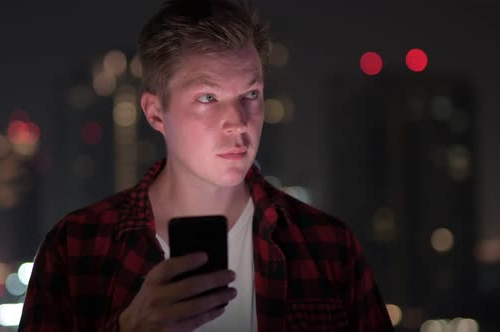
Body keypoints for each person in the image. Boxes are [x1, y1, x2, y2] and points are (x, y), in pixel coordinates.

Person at [19, 0, 394, 331]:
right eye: (207, 96)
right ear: (155, 113)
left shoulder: (327, 245)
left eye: (250, 94)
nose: (237, 121)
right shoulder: (76, 247)